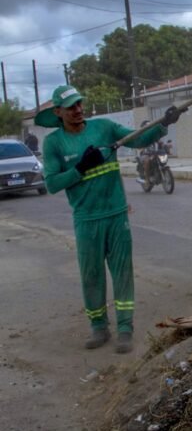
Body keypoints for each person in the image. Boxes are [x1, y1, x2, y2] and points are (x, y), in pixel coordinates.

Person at [35, 85, 183, 354]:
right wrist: (80, 168)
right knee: (91, 275)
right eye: (71, 107)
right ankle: (99, 328)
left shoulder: (103, 127)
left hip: (116, 214)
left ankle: (125, 328)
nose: (78, 109)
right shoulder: (54, 143)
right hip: (86, 219)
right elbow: (53, 184)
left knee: (123, 272)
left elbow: (136, 138)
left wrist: (164, 125)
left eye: (79, 103)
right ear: (58, 112)